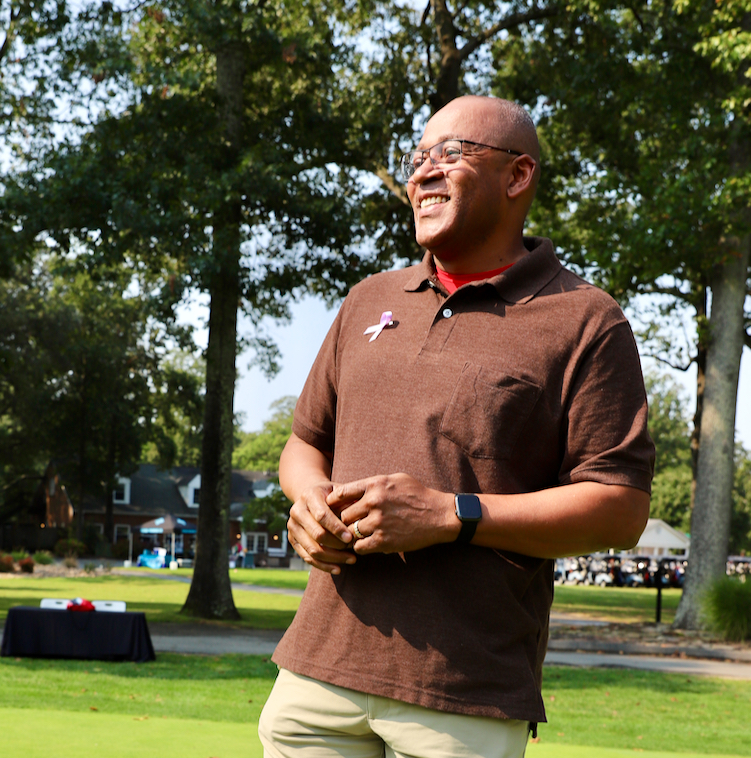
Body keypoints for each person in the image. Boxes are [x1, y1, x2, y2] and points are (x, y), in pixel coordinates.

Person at [258, 95, 655, 758]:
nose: (423, 172)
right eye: (417, 157)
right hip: (315, 675)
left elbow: (619, 509)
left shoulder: (587, 320)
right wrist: (308, 502)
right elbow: (305, 443)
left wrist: (452, 515)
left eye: (449, 153)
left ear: (518, 175)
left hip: (462, 695)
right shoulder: (369, 298)